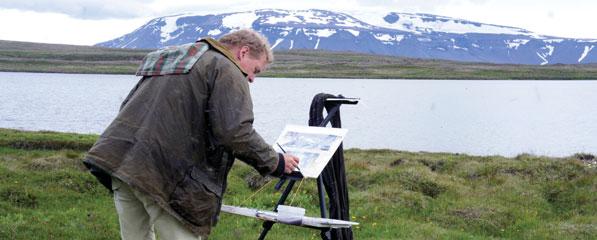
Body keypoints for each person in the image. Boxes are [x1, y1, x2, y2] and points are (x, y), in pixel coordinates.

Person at [83, 29, 300, 240]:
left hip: (121, 164)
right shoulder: (226, 68)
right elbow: (235, 131)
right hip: (161, 175)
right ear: (243, 52)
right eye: (255, 70)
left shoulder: (178, 58)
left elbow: (129, 106)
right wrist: (276, 162)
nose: (252, 78)